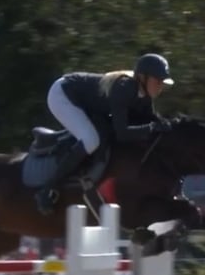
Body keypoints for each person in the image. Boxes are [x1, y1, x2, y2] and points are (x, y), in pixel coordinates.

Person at [35, 53, 175, 215]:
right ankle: (47, 189)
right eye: (157, 81)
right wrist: (151, 128)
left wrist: (167, 126)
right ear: (143, 78)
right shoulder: (124, 88)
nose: (160, 86)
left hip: (86, 101)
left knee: (101, 134)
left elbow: (152, 121)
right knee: (91, 140)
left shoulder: (144, 95)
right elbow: (122, 133)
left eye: (162, 82)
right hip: (62, 95)